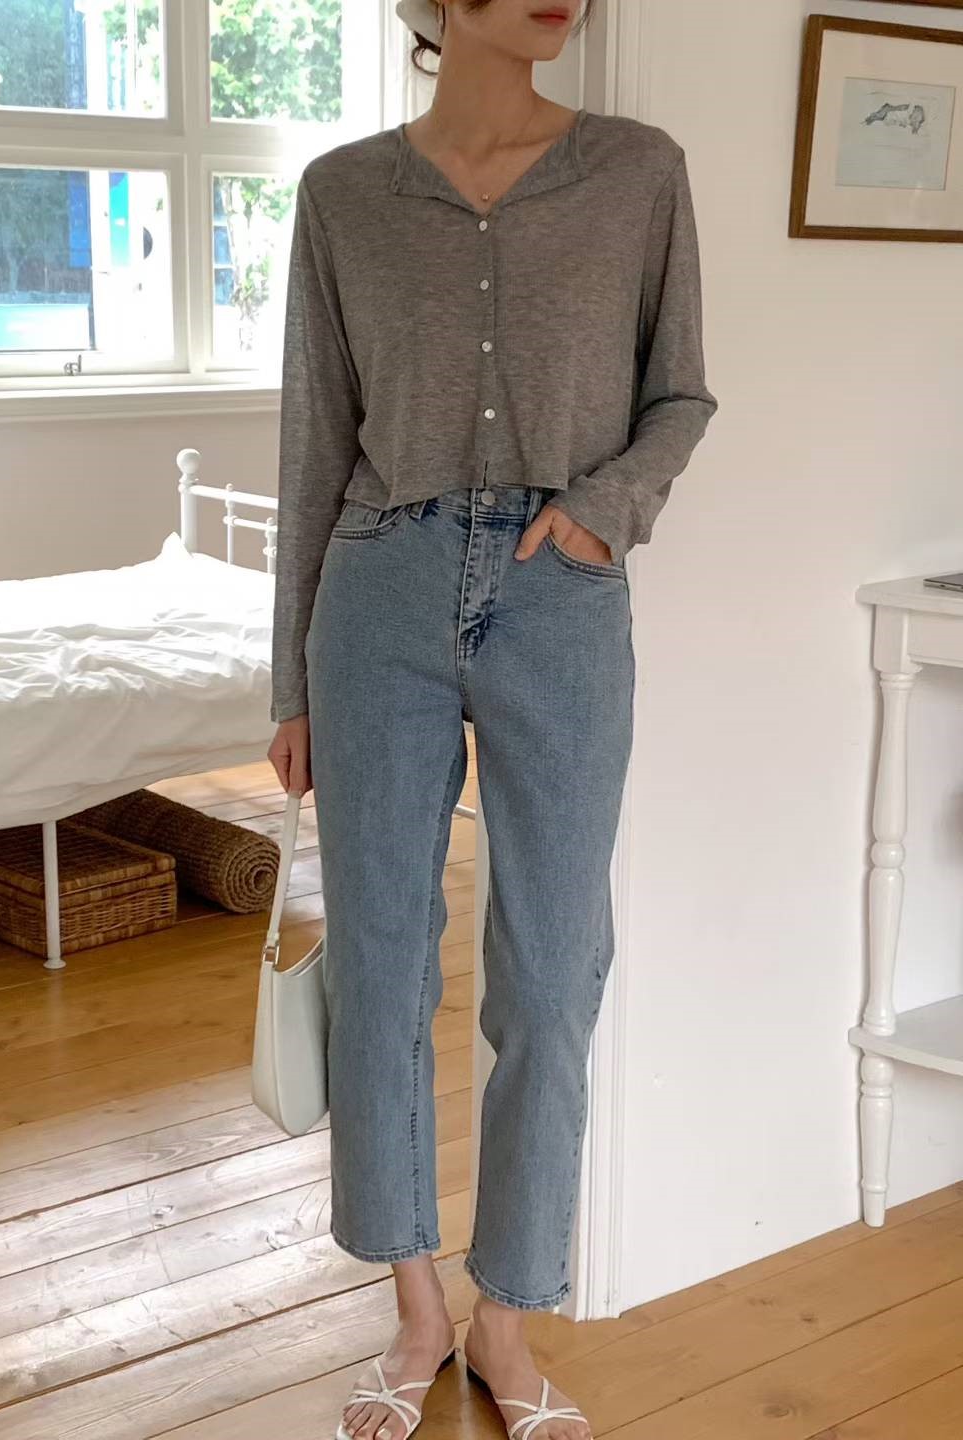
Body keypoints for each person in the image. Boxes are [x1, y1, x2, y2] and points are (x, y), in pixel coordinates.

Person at [267, 2, 718, 1436]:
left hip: (561, 598)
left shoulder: (637, 171)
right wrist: (288, 684)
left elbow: (680, 395)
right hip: (379, 590)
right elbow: (312, 441)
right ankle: (415, 1312)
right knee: (383, 964)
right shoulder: (343, 193)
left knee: (552, 969)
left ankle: (504, 1320)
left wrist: (599, 514)